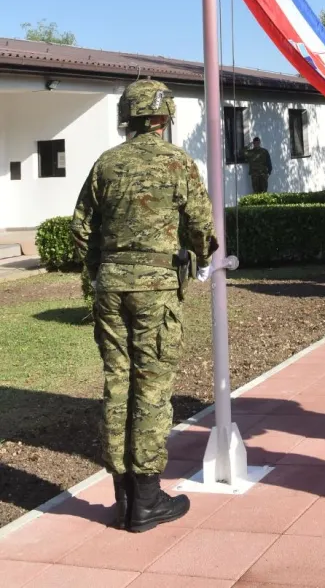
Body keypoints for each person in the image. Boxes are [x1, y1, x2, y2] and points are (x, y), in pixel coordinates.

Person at [71, 80, 218, 534]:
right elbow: (201, 227)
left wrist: (100, 269)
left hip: (110, 288)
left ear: (127, 117)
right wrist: (203, 256)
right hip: (155, 289)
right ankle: (148, 500)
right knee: (151, 387)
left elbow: (81, 228)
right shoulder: (178, 162)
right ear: (164, 116)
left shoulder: (106, 163)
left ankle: (123, 496)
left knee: (117, 383)